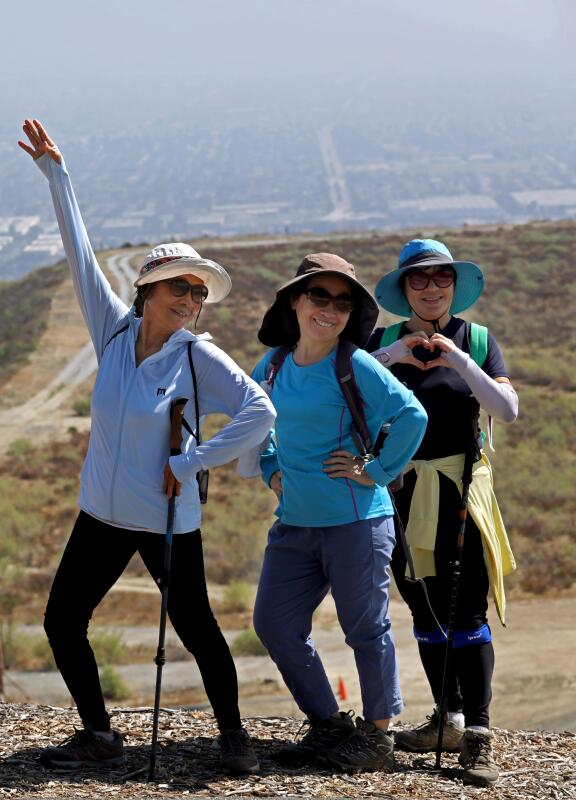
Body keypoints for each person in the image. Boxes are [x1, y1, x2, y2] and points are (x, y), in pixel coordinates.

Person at [19, 119, 275, 774]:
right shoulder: (111, 328)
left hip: (166, 519)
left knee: (198, 632)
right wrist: (57, 174)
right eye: (179, 287)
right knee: (61, 621)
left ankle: (234, 738)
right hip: (102, 514)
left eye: (198, 291)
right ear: (148, 289)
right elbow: (79, 254)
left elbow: (259, 411)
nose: (191, 299)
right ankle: (99, 733)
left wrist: (189, 462)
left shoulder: (200, 358)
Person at [249, 254, 427, 772]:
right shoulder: (276, 363)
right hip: (295, 522)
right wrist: (269, 469)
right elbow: (255, 420)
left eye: (342, 301)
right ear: (296, 302)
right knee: (275, 625)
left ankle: (376, 736)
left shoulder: (355, 363)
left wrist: (376, 469)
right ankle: (328, 723)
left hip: (356, 521)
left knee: (365, 629)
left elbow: (412, 414)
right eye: (319, 297)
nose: (330, 309)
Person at [366, 238, 517, 787]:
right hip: (398, 492)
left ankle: (477, 733)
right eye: (419, 280)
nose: (431, 288)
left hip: (458, 491)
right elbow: (347, 392)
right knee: (425, 610)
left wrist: (458, 361)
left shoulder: (476, 340)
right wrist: (393, 357)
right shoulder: (379, 340)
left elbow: (507, 408)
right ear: (404, 289)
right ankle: (447, 718)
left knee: (467, 610)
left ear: (455, 286)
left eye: (441, 279)